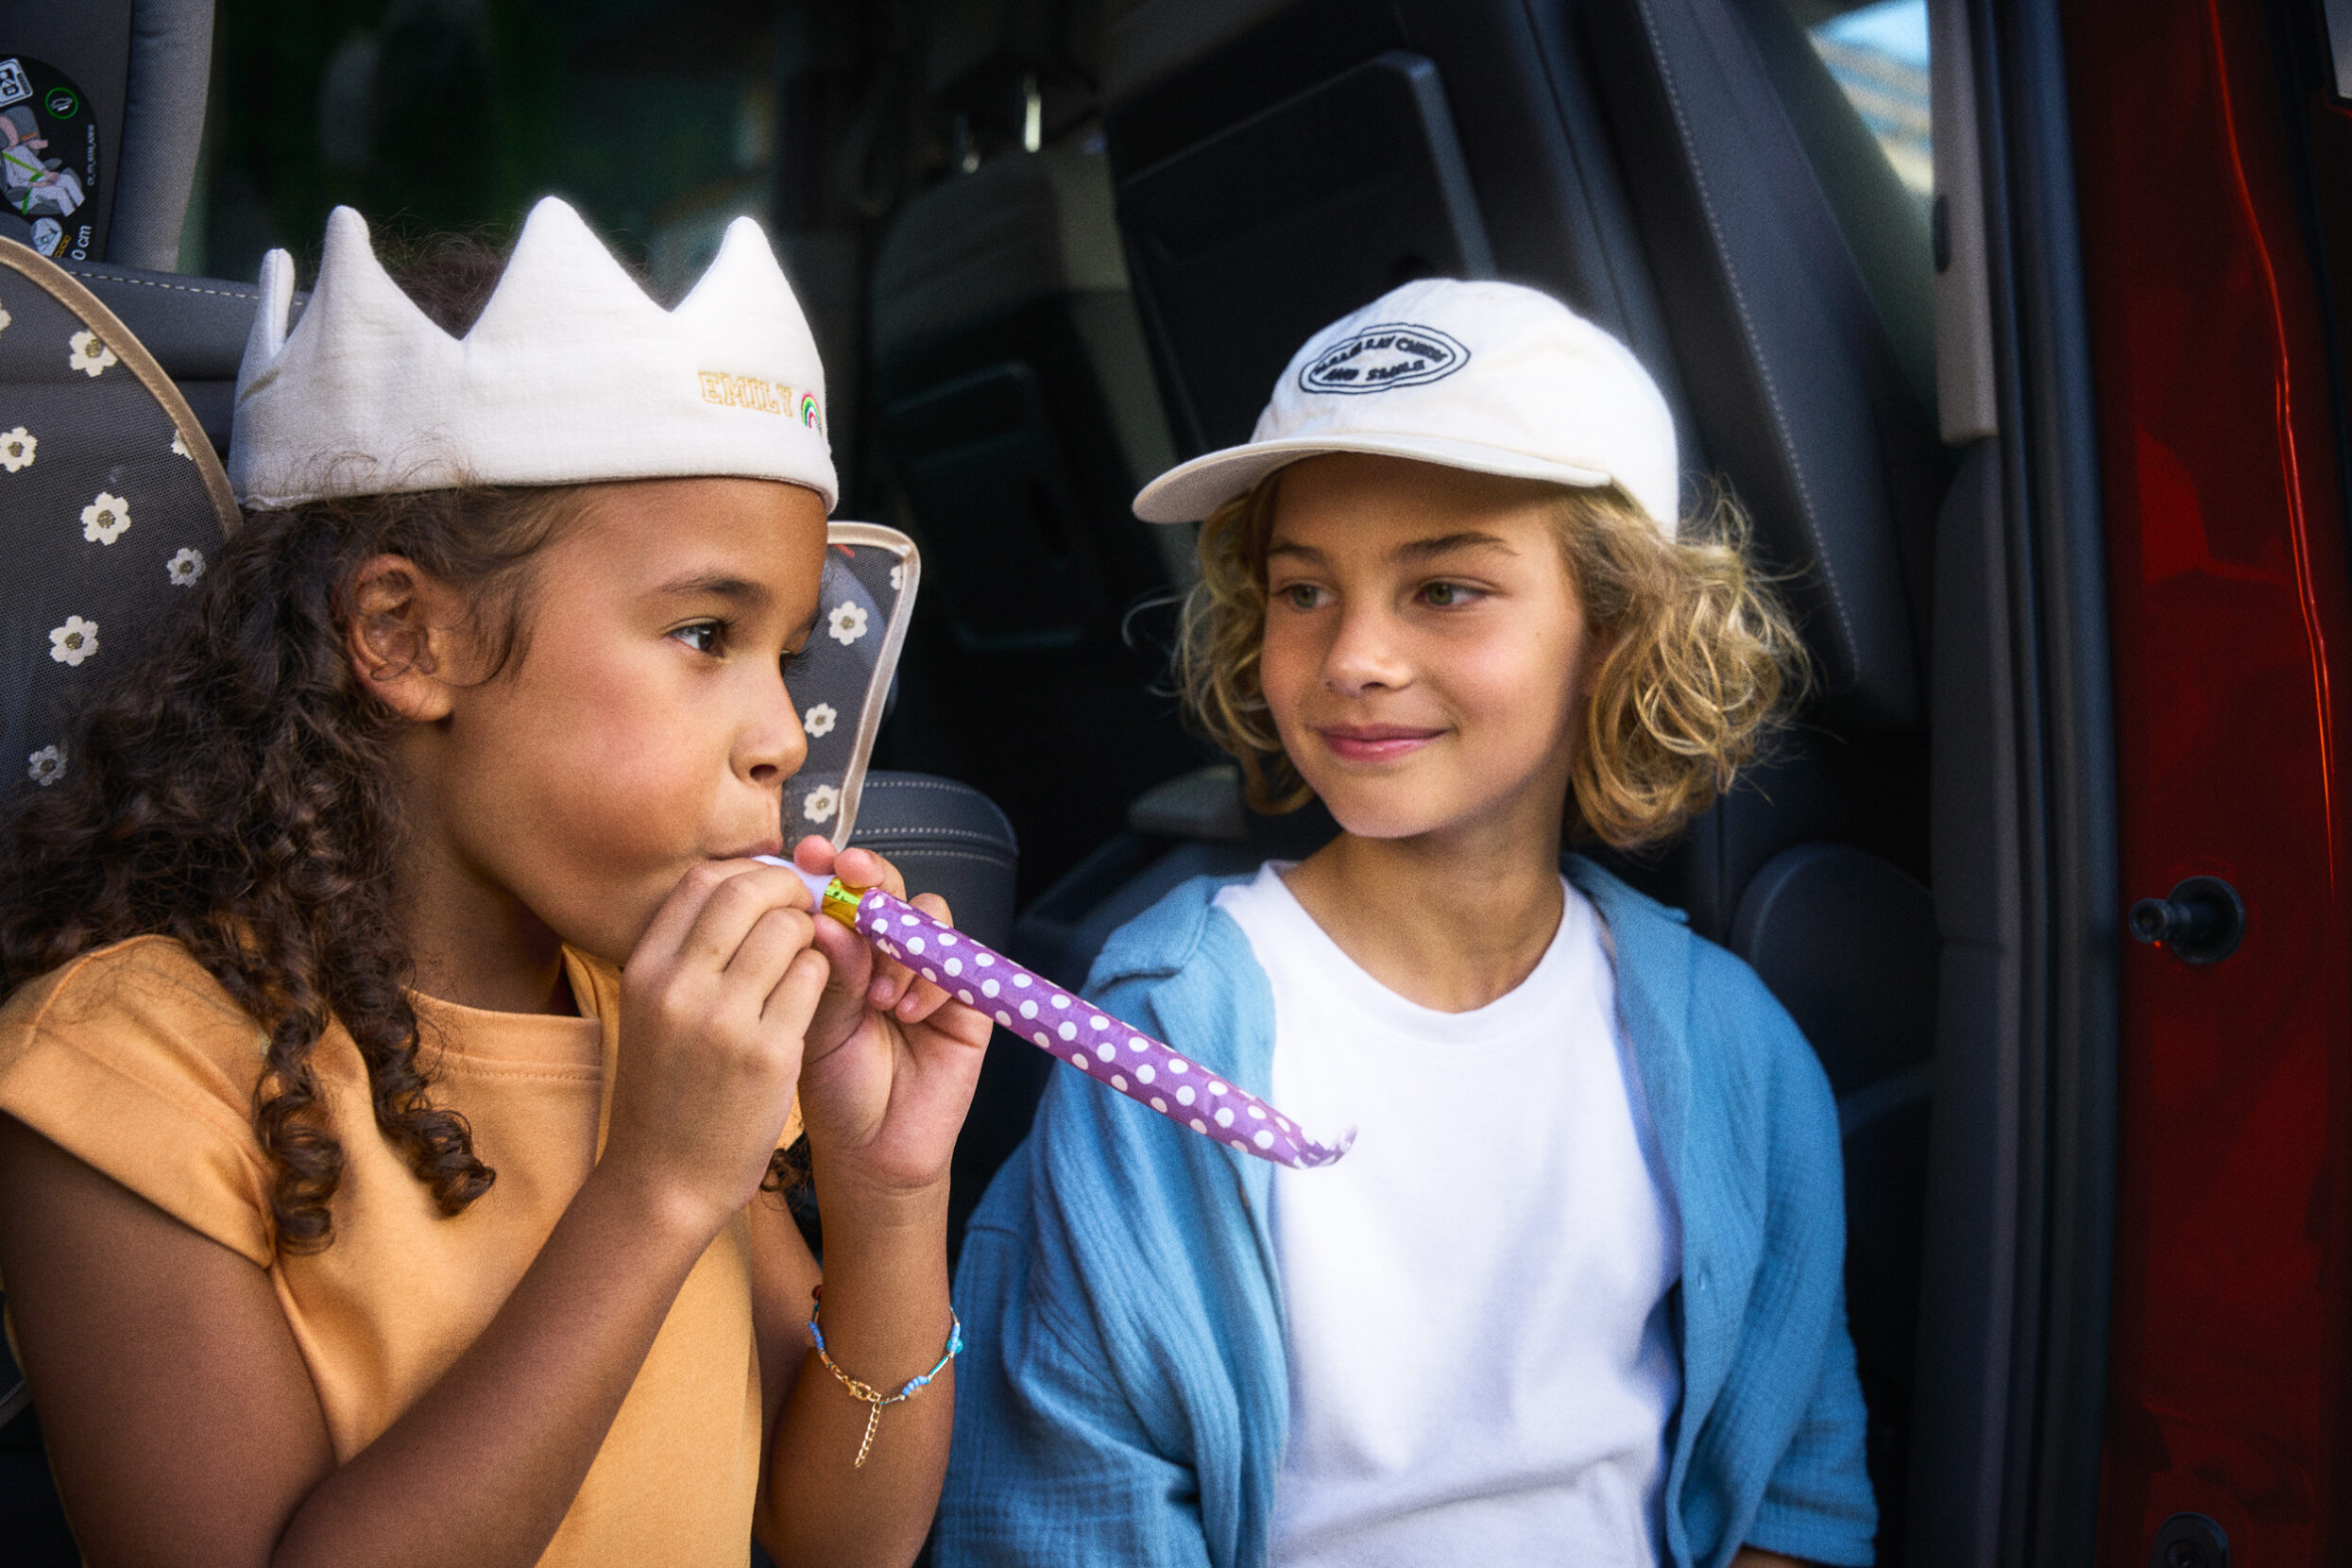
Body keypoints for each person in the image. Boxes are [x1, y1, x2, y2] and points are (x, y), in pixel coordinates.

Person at [0, 197, 986, 1568]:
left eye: (790, 657)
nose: (780, 735)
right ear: (406, 636)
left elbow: (843, 1541)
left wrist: (888, 1193)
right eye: (706, 633)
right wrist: (652, 1192)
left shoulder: (655, 1019)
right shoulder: (130, 1074)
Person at [939, 279, 1877, 1568]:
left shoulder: (1729, 1044)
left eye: (1443, 590)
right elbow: (1067, 1512)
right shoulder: (1170, 1029)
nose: (1353, 658)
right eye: (1302, 591)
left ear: (1616, 627)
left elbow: (1795, 1490)